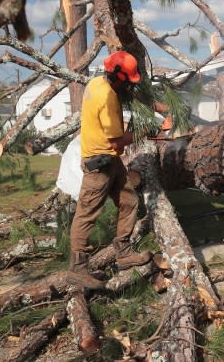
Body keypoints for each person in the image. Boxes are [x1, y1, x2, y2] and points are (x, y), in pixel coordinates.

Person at [66, 50, 153, 290]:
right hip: (98, 163)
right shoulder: (107, 97)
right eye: (128, 81)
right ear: (118, 77)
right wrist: (146, 130)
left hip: (110, 160)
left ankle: (123, 253)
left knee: (129, 201)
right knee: (86, 214)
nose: (129, 85)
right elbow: (116, 141)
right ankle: (78, 269)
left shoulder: (96, 82)